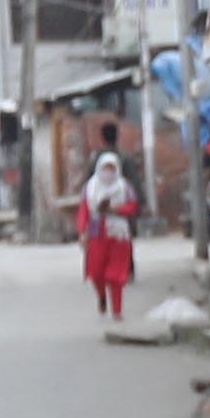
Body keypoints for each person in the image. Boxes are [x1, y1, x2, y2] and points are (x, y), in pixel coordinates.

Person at [76, 137, 142, 321]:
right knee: (96, 272)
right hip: (96, 233)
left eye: (111, 168)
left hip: (119, 233)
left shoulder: (124, 187)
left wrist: (115, 209)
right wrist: (82, 232)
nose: (108, 172)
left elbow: (132, 206)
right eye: (105, 168)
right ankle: (102, 296)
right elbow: (83, 211)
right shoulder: (90, 188)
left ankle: (117, 310)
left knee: (115, 274)